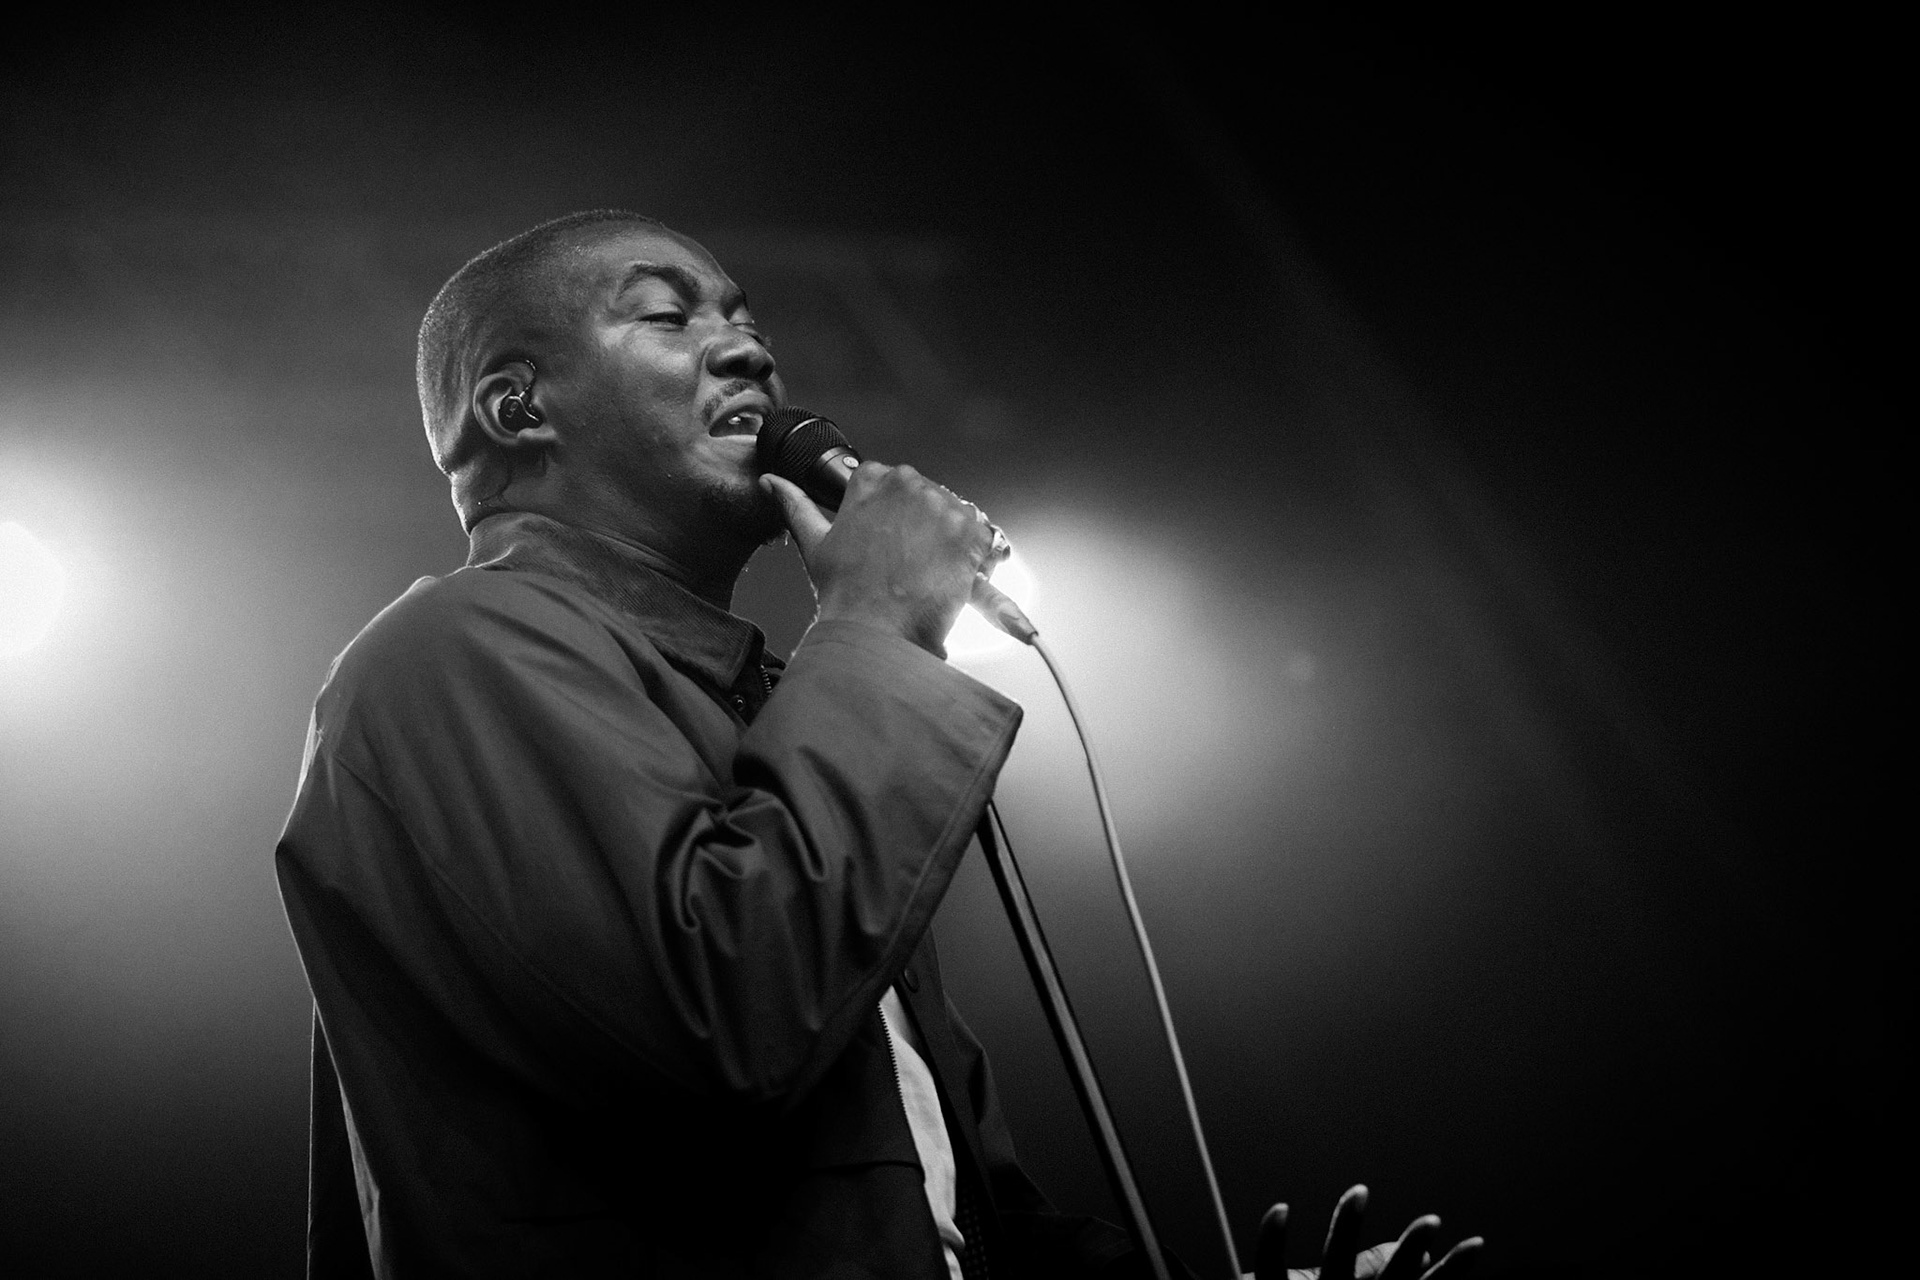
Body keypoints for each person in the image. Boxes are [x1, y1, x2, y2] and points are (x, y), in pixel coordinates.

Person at [275, 209, 1480, 1279]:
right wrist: (879, 619)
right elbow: (729, 1017)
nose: (747, 348)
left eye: (746, 318)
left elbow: (954, 1216)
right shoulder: (449, 652)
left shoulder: (767, 717)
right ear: (517, 407)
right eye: (668, 315)